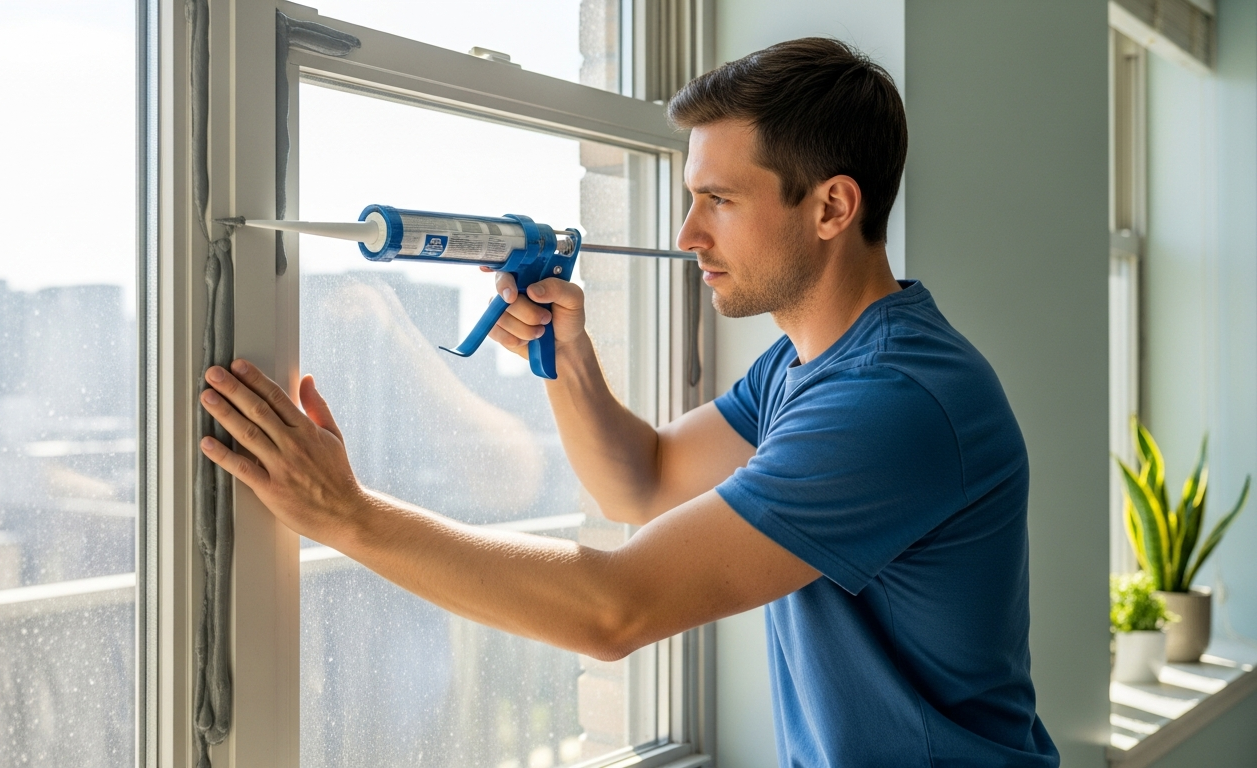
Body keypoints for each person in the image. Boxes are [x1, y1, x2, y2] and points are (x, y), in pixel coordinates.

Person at [198, 37, 1059, 767]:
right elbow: (641, 483)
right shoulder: (805, 367)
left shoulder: (893, 400)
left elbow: (615, 609)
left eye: (719, 201)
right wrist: (565, 357)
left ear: (832, 205)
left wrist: (346, 515)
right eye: (691, 198)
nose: (688, 235)